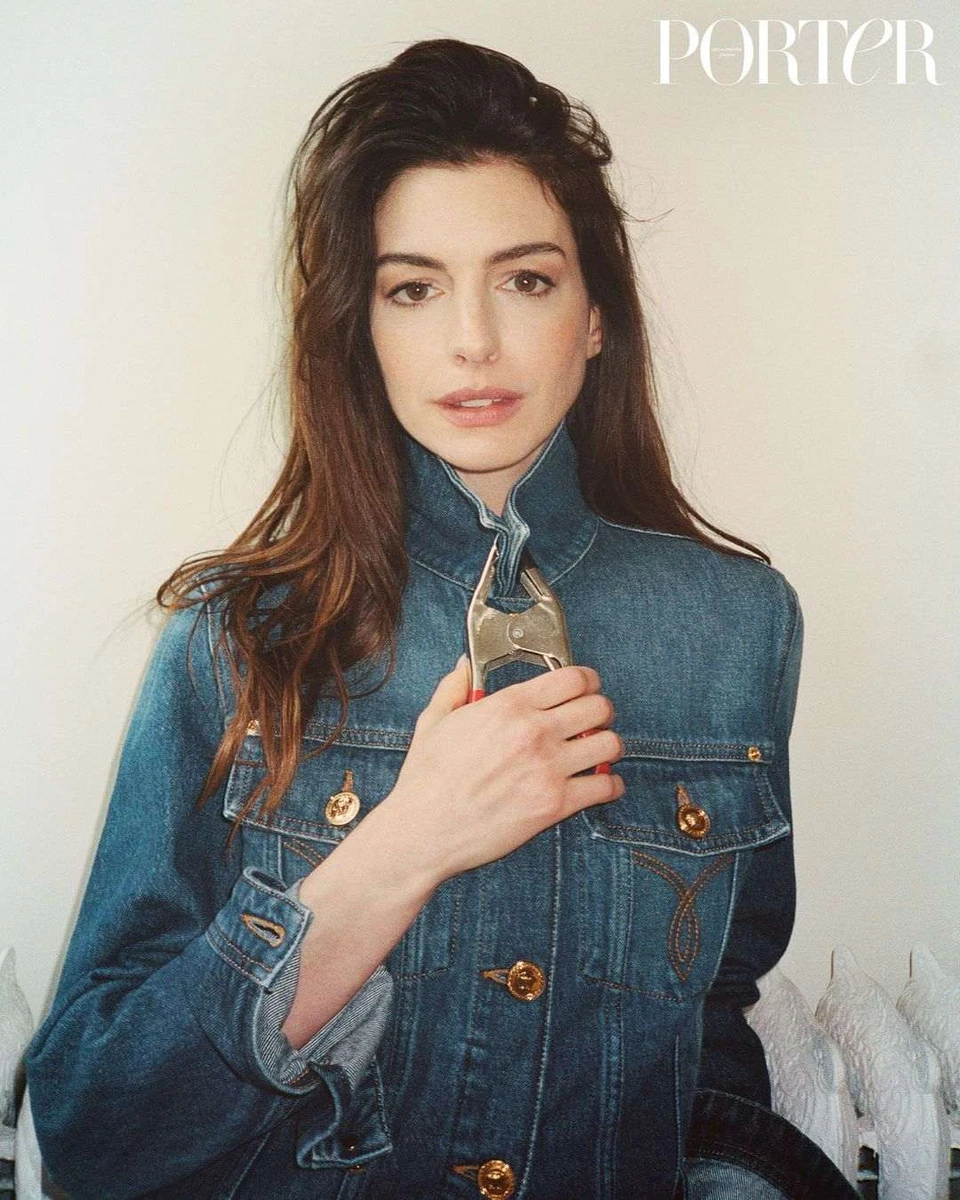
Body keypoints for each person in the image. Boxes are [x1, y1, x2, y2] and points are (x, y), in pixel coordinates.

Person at [26, 38, 858, 1200]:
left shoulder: (738, 626)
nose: (474, 339)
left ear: (597, 316)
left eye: (527, 280)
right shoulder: (232, 641)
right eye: (412, 288)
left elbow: (709, 1038)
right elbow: (95, 1129)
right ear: (360, 328)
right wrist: (406, 842)